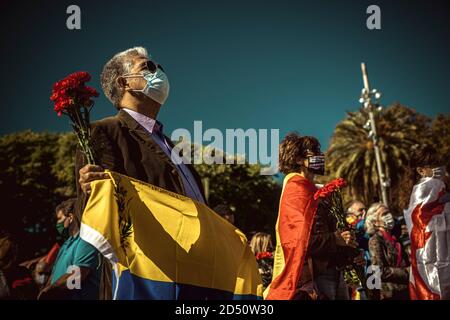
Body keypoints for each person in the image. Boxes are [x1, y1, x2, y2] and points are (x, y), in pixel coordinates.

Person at [75, 47, 207, 299]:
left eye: (160, 68)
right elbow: (93, 214)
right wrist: (90, 190)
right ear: (124, 82)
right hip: (148, 279)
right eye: (147, 67)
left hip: (195, 273)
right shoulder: (104, 132)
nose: (159, 73)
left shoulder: (173, 146)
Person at [264, 133, 364, 300]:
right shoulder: (296, 191)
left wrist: (350, 252)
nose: (320, 156)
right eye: (314, 153)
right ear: (297, 159)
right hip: (316, 277)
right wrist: (336, 239)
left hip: (335, 274)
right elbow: (299, 241)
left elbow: (329, 233)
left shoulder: (314, 190)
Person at [400, 145, 450, 299]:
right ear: (421, 170)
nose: (439, 168)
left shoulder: (441, 187)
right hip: (428, 253)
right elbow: (420, 217)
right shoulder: (423, 188)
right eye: (433, 165)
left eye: (439, 163)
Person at [38, 199, 101, 300]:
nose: (58, 223)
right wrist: (46, 288)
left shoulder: (85, 240)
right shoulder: (66, 244)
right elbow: (54, 275)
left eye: (60, 219)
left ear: (70, 217)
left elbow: (77, 276)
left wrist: (50, 290)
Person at [365, 203, 409, 300]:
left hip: (406, 290)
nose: (389, 216)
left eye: (389, 212)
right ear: (375, 222)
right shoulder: (375, 240)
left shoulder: (396, 238)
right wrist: (406, 272)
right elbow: (378, 270)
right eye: (384, 214)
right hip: (389, 293)